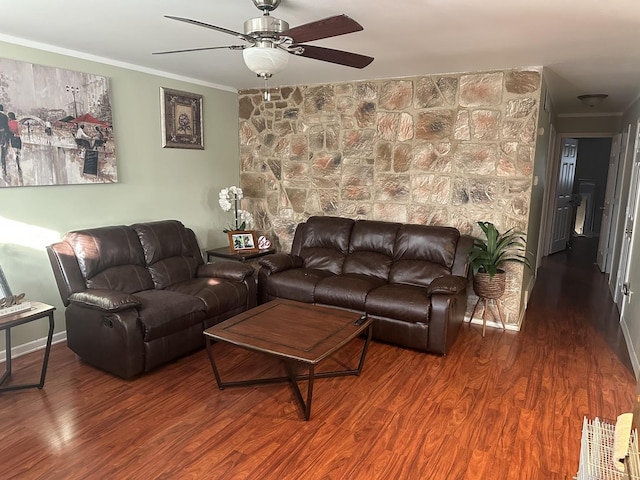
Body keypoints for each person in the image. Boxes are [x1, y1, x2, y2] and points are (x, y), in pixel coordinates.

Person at [0, 104, 9, 176]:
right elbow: (7, 127)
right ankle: (3, 166)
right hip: (2, 134)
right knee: (3, 150)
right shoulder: (5, 116)